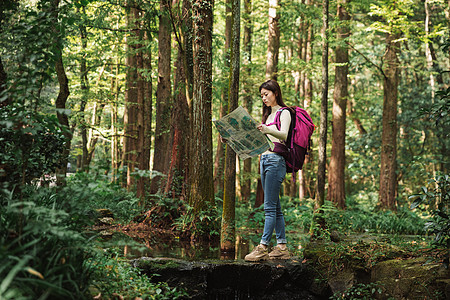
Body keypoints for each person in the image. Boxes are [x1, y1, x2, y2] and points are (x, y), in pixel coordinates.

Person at [244, 79, 291, 262]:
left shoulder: (284, 112)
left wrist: (267, 129)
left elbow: (284, 135)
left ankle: (263, 246)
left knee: (269, 207)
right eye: (261, 95)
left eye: (266, 94)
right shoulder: (267, 116)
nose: (264, 98)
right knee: (275, 206)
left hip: (275, 161)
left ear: (275, 93)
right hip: (264, 159)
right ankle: (282, 246)